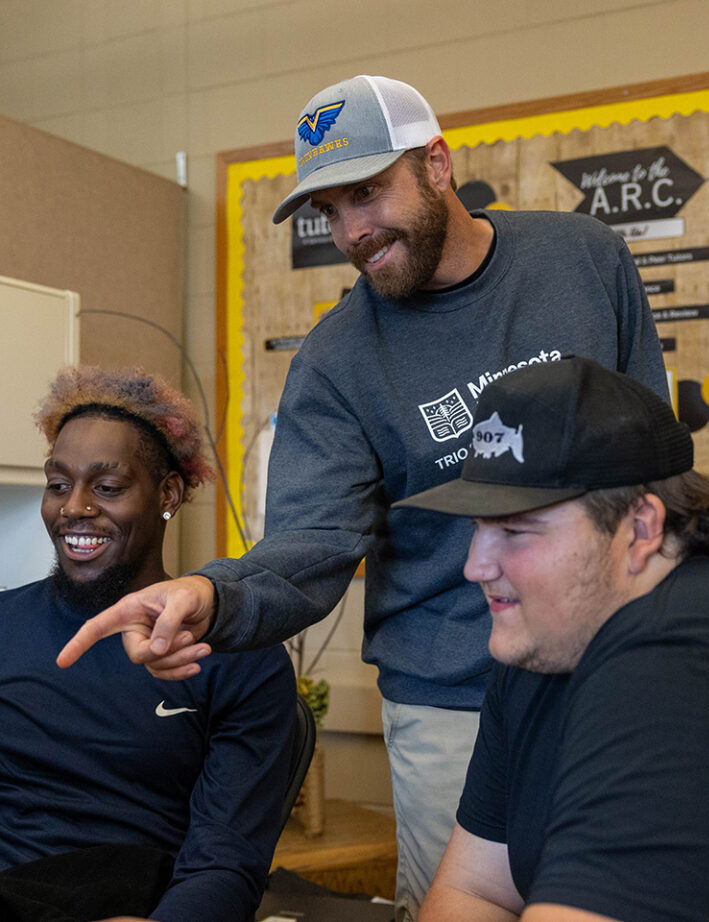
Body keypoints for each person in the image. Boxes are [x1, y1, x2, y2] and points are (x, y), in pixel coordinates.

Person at [57, 76, 668, 920]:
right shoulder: (337, 362)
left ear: (438, 164)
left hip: (619, 670)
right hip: (453, 700)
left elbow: (656, 457)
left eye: (369, 192)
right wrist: (210, 594)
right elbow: (309, 546)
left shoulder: (582, 260)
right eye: (330, 209)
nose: (351, 231)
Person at [394, 355, 709, 922]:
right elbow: (478, 891)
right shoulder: (545, 634)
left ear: (639, 528)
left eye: (516, 531)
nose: (476, 567)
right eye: (477, 529)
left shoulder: (690, 658)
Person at [0, 367, 295, 922]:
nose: (74, 508)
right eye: (58, 484)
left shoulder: (238, 658)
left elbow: (225, 864)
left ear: (169, 494)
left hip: (137, 903)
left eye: (107, 487)